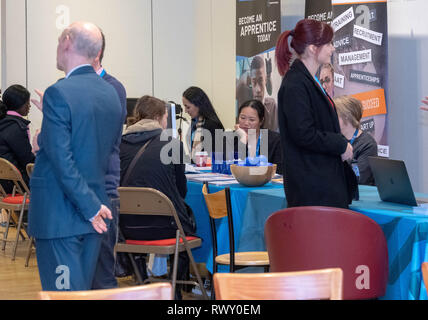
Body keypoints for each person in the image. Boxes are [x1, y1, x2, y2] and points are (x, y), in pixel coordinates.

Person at [27, 21, 123, 291]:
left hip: (61, 216)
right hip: (94, 213)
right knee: (81, 292)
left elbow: (62, 160)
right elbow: (93, 148)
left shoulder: (59, 93)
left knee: (64, 295)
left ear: (67, 41)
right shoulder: (111, 93)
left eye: (59, 40)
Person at [119, 95, 196, 299]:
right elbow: (181, 191)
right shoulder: (172, 144)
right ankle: (176, 288)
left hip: (126, 228)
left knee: (138, 222)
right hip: (166, 227)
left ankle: (142, 279)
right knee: (187, 220)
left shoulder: (118, 145)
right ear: (161, 117)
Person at [275, 18, 354, 209]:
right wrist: (340, 144)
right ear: (312, 48)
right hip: (313, 190)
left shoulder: (306, 81)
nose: (332, 48)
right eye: (328, 43)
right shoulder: (296, 84)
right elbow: (304, 133)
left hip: (320, 186)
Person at [91, 30, 128, 290]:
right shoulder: (70, 87)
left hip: (102, 187)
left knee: (102, 271)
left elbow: (105, 140)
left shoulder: (112, 88)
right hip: (81, 190)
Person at [334, 96, 377, 185]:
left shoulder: (368, 144)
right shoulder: (334, 139)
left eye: (335, 115)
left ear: (346, 117)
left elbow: (360, 179)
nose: (331, 119)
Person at [0, 85, 35, 193]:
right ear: (19, 104)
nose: (29, 106)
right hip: (16, 185)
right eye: (27, 103)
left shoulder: (3, 121)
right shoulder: (16, 127)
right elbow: (27, 160)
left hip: (3, 183)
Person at [234, 99, 283, 174]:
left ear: (261, 121)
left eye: (252, 120)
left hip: (266, 182)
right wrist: (243, 139)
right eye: (242, 118)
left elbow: (279, 170)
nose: (246, 123)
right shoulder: (231, 137)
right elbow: (228, 164)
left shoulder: (275, 140)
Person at [182, 86, 224, 161]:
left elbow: (216, 157)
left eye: (188, 107)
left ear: (199, 105)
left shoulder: (213, 125)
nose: (185, 111)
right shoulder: (195, 122)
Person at [250, 55, 278, 131]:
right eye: (254, 82)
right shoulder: (247, 110)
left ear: (265, 80)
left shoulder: (272, 105)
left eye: (260, 81)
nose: (258, 89)